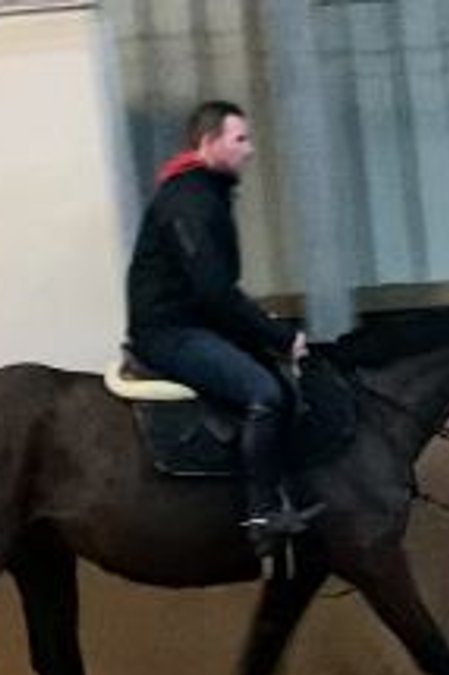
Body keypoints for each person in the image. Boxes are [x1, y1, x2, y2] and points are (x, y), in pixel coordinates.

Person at [125, 100, 317, 561]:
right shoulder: (188, 200)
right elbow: (214, 291)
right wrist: (280, 337)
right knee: (264, 395)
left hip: (192, 324)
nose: (249, 150)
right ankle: (261, 514)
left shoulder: (203, 194)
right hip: (170, 333)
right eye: (240, 139)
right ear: (209, 144)